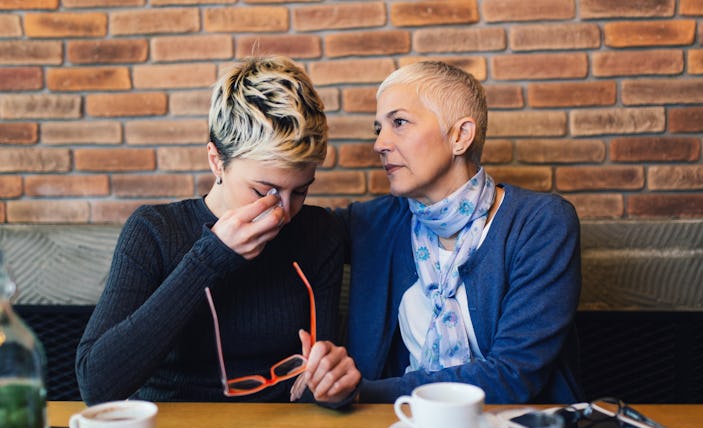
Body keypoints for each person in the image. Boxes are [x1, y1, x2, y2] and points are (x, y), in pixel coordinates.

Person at [76, 56, 360, 407]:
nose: (284, 212)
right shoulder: (154, 232)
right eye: (264, 191)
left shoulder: (320, 233)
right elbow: (96, 385)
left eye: (300, 191)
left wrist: (335, 387)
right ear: (216, 161)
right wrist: (209, 258)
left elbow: (314, 386)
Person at [337, 61, 583, 404]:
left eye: (399, 123)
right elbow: (287, 224)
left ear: (459, 136)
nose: (380, 143)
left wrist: (362, 392)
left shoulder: (540, 223)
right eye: (378, 128)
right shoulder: (374, 224)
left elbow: (514, 376)